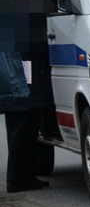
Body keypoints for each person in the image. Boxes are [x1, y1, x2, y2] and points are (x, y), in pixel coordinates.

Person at [1, 50, 53, 193]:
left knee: (18, 133)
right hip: (22, 89)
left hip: (16, 88)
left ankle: (22, 177)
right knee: (23, 133)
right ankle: (19, 180)